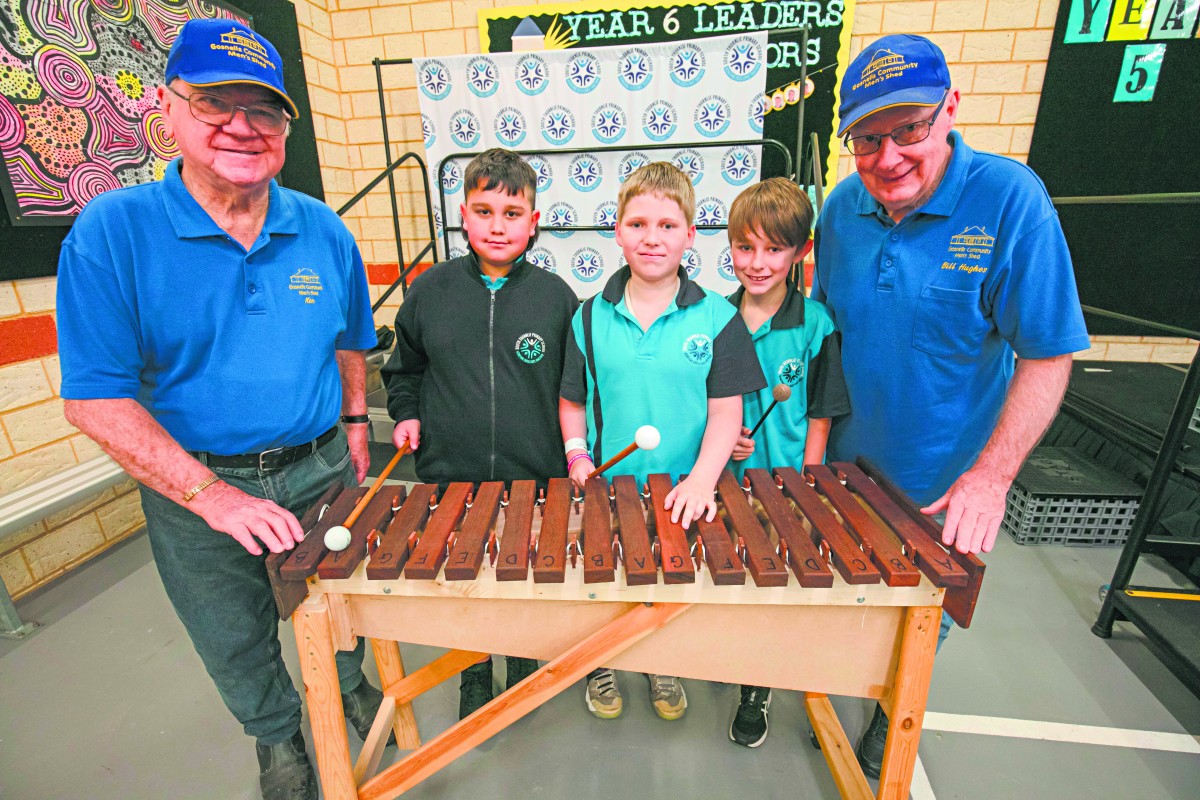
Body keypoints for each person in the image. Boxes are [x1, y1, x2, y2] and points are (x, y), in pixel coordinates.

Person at [57, 19, 385, 800]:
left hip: (320, 468)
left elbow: (348, 338)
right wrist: (212, 496)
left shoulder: (324, 229)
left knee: (339, 605)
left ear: (284, 130)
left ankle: (349, 688)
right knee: (232, 635)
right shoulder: (113, 233)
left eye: (262, 110)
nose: (241, 126)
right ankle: (278, 742)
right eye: (214, 103)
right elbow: (92, 399)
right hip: (194, 487)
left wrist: (355, 421)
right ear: (167, 109)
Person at [812, 34, 1090, 776]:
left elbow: (1048, 351)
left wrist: (993, 476)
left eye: (909, 128)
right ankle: (852, 685)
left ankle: (885, 714)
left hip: (940, 486)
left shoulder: (1010, 200)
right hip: (841, 475)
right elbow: (816, 339)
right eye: (867, 138)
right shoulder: (840, 210)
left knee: (915, 628)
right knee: (842, 607)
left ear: (950, 109)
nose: (889, 156)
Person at [559, 162, 766, 721]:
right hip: (608, 485)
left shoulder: (720, 318)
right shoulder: (587, 317)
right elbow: (573, 401)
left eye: (669, 225)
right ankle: (599, 662)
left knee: (666, 577)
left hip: (683, 488)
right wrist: (577, 453)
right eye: (638, 224)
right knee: (604, 574)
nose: (653, 238)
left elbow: (727, 413)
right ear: (618, 230)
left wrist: (702, 481)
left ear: (691, 235)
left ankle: (660, 659)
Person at [381, 147, 578, 720]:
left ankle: (521, 661)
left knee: (523, 574)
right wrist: (407, 412)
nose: (498, 225)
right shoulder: (430, 291)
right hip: (452, 472)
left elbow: (575, 386)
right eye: (484, 210)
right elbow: (405, 367)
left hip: (534, 471)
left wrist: (571, 452)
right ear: (463, 216)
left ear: (533, 221)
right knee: (464, 579)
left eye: (512, 213)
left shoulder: (556, 298)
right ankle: (472, 669)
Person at [724, 177, 850, 747]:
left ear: (800, 253)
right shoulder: (714, 318)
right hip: (725, 482)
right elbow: (705, 404)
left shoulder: (816, 324)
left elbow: (820, 413)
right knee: (731, 580)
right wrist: (725, 439)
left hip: (788, 483)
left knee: (776, 583)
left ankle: (758, 686)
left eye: (773, 249)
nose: (757, 262)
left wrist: (807, 484)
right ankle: (730, 657)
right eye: (744, 247)